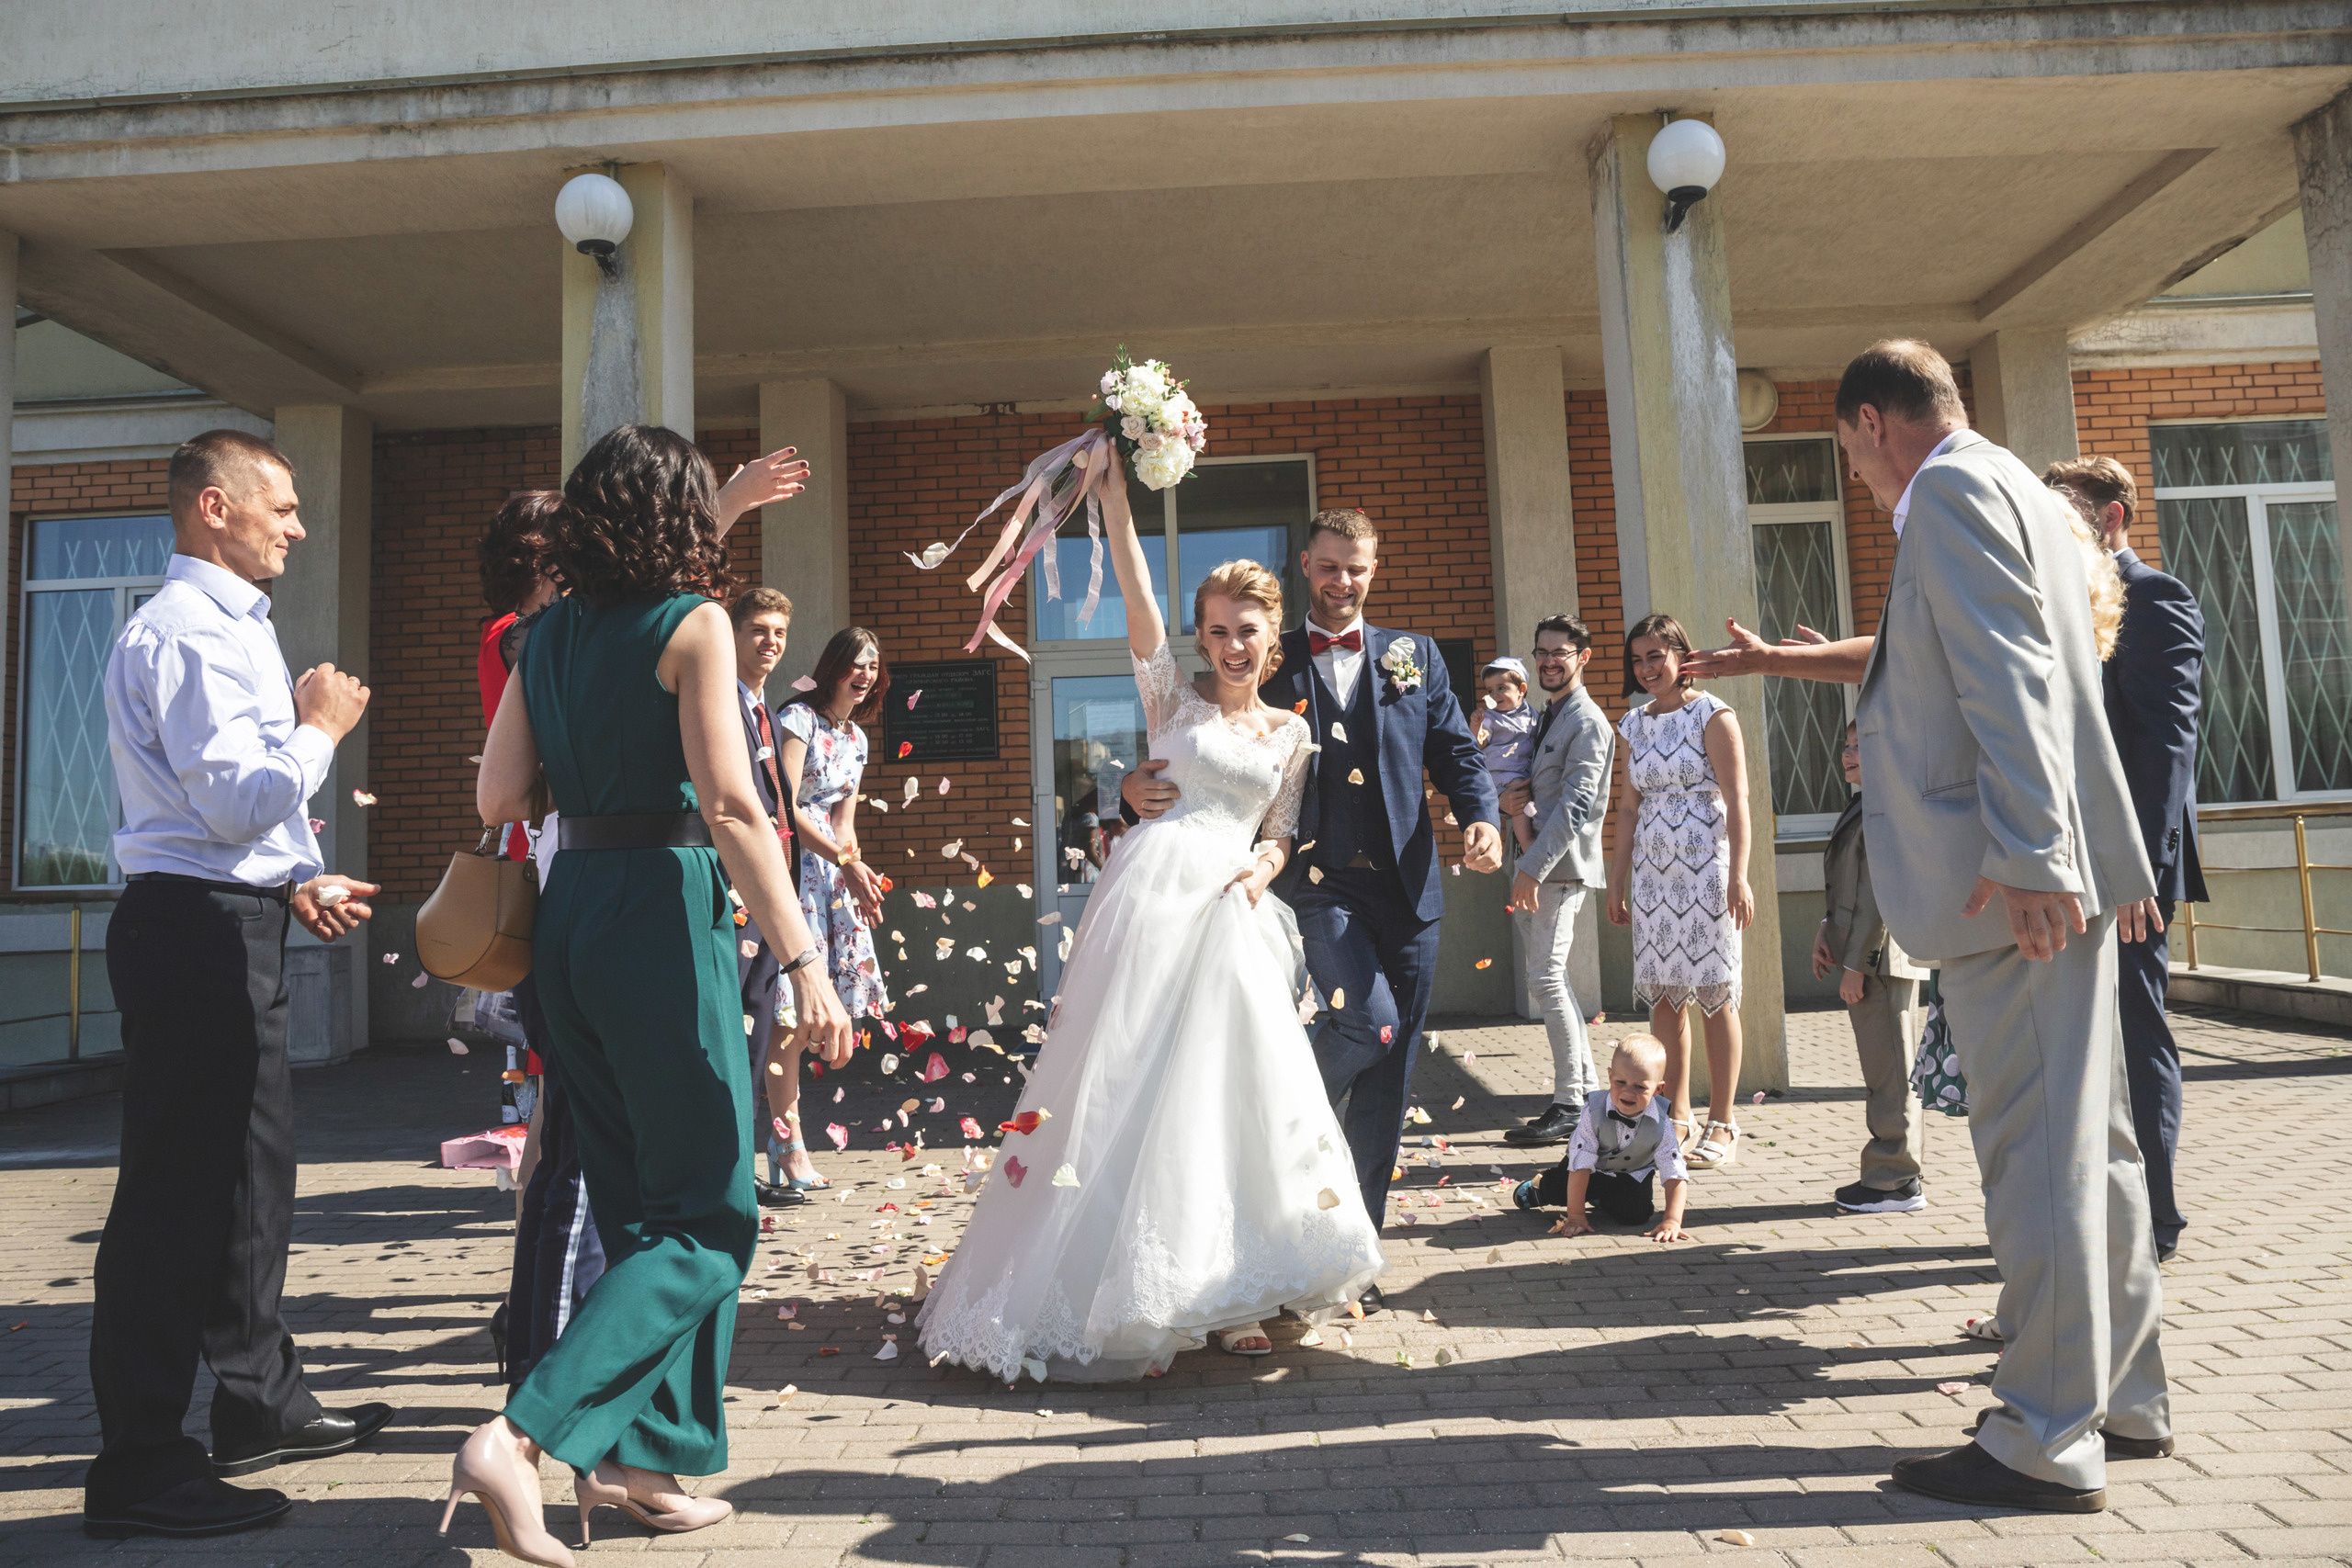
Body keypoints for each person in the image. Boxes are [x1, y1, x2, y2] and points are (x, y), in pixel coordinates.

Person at [456, 423, 853, 1566]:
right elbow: (733, 809)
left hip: (570, 907)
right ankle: (520, 1437)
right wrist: (805, 961)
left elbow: (497, 790)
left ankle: (646, 1459)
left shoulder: (544, 633)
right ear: (681, 515)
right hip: (660, 906)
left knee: (638, 1203)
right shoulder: (695, 623)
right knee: (713, 1216)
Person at [920, 446, 1382, 1377]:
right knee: (1130, 1084)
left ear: (1273, 632)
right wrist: (1115, 498)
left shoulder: (1293, 734)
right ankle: (1122, 1283)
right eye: (1216, 631)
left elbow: (1281, 831)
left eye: (1246, 630)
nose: (1231, 645)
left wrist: (1261, 868)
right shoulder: (1169, 698)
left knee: (1227, 1092)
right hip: (1154, 901)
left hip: (1234, 912)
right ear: (1201, 637)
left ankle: (1233, 1290)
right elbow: (1135, 594)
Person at [1826, 341, 2166, 1512]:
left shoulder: (1955, 490)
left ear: (1872, 423)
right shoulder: (2019, 480)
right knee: (2095, 1143)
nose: (1859, 480)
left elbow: (2009, 674)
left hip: (2007, 884)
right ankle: (2123, 1397)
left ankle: (2040, 1437)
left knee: (2037, 1157)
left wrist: (2030, 855)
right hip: (2041, 870)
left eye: (1848, 452)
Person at [86, 429, 391, 1540]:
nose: (300, 528)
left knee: (251, 1185)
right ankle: (137, 1468)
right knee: (179, 1199)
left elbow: (237, 819)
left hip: (233, 918)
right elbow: (226, 804)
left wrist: (298, 880)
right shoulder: (187, 633)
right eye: (283, 507)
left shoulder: (232, 628)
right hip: (191, 934)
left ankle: (258, 1404)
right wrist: (320, 729)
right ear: (214, 508)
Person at [1123, 507, 1502, 1310]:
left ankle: (1349, 1254)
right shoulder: (1264, 653)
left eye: (1356, 567)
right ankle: (1264, 1108)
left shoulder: (1416, 656)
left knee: (1390, 1078)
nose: (1343, 582)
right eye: (1329, 567)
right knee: (1366, 1025)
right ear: (1305, 566)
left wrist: (1481, 818)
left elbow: (1458, 756)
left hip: (1410, 892)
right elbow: (1192, 747)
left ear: (1375, 566)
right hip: (1318, 892)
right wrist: (1131, 790)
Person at [2048, 455, 2207, 1263]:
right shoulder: (2065, 606)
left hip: (2129, 872)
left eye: (2069, 517)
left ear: (2112, 519)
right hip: (2067, 864)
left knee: (2136, 1033)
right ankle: (2094, 1214)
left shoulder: (2154, 599)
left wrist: (2134, 868)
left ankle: (2156, 1220)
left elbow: (2167, 748)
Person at [474, 493, 610, 1387]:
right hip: (563, 885)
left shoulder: (528, 636)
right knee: (571, 1140)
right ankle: (541, 1348)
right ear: (545, 554)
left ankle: (530, 1320)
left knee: (562, 1136)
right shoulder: (531, 641)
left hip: (562, 885)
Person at [1605, 611, 1755, 1171]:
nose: (1646, 668)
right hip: (1653, 876)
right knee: (1666, 997)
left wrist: (1739, 874)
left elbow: (1738, 801)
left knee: (1715, 993)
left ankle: (1723, 1120)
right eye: (1638, 658)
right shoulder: (1634, 725)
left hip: (1707, 872)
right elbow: (1627, 806)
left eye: (1656, 656)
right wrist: (1617, 878)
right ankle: (1674, 1114)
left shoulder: (1713, 715)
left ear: (1681, 657)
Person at [775, 626, 891, 1190]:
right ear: (833, 666)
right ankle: (789, 1148)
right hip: (792, 867)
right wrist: (842, 861)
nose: (865, 675)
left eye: (872, 666)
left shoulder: (857, 740)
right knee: (786, 1016)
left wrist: (857, 876)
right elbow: (787, 807)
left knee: (814, 1023)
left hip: (833, 875)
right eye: (856, 664)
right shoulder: (799, 720)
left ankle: (786, 1139)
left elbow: (845, 823)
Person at [1498, 615, 1613, 1146]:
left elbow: (1576, 808)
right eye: (1541, 651)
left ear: (1583, 657)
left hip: (1556, 869)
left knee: (1546, 978)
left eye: (1559, 652)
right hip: (1539, 865)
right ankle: (1585, 1098)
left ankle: (1569, 1104)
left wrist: (1530, 868)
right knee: (1551, 979)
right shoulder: (1551, 713)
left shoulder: (1587, 720)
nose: (1547, 660)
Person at [1815, 720, 1930, 1213]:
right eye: (1846, 745)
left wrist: (1856, 966)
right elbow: (1851, 884)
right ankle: (1891, 1173)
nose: (1849, 754)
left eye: (1862, 745)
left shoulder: (1886, 807)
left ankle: (1897, 1180)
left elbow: (1878, 898)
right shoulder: (1867, 802)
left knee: (1892, 1074)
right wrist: (1827, 930)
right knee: (1882, 1069)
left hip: (1881, 961)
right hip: (1866, 957)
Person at [729, 586, 808, 1205]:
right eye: (758, 629)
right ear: (730, 634)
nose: (770, 642)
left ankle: (740, 1164)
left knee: (757, 1034)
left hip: (771, 895)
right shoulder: (721, 703)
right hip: (733, 898)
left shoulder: (764, 709)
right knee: (732, 1034)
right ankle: (725, 1171)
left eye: (779, 632)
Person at [1510, 1034, 1691, 1241]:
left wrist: (1672, 1220)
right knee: (1562, 1189)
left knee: (1636, 1214)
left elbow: (1674, 1171)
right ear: (1610, 1076)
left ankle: (1602, 1195)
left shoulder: (1662, 1124)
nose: (1628, 1092)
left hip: (1630, 1173)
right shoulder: (1593, 1112)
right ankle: (1541, 1188)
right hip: (1585, 1168)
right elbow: (1581, 1165)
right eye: (1620, 1082)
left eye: (1640, 1087)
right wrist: (1576, 1216)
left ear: (1658, 1089)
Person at [1474, 657, 1539, 854]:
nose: (1495, 695)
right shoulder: (1491, 718)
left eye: (1501, 688)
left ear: (1521, 690)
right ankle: (1526, 842)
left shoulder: (1532, 715)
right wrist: (1476, 725)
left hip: (1523, 769)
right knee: (1518, 797)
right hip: (1502, 772)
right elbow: (1477, 743)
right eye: (1490, 691)